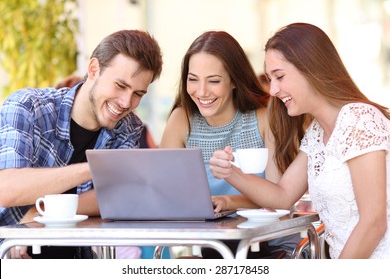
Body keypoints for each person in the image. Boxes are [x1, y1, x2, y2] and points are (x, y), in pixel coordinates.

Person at [210, 22, 390, 259]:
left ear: (310, 69)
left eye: (280, 76)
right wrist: (231, 172)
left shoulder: (359, 119)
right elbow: (283, 196)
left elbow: (374, 222)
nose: (273, 90)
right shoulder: (317, 132)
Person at [0, 29, 163, 258]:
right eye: (120, 85)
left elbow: (119, 198)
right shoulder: (28, 107)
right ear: (94, 69)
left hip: (79, 259)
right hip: (9, 254)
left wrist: (41, 213)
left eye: (138, 94)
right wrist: (94, 167)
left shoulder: (128, 127)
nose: (126, 102)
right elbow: (7, 188)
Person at [160, 30, 301, 258]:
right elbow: (163, 192)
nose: (202, 92)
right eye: (193, 79)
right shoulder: (181, 120)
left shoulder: (265, 118)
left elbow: (279, 200)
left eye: (214, 81)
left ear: (234, 80)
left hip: (274, 249)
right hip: (216, 249)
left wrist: (227, 202)